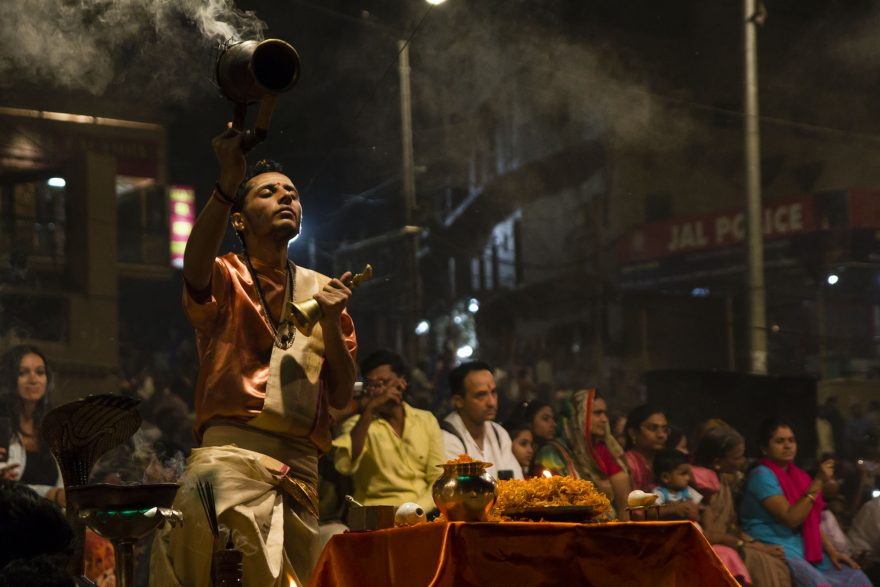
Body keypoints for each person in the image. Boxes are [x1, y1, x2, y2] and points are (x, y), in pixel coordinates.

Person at [150, 126, 358, 587]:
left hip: (302, 472)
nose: (286, 198)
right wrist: (228, 183)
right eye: (268, 192)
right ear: (240, 221)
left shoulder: (325, 292)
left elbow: (342, 395)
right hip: (229, 460)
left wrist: (329, 321)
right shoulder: (226, 274)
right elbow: (195, 267)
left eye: (292, 193)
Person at [739, 417, 872, 587]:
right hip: (775, 544)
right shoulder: (762, 475)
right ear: (764, 448)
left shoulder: (797, 475)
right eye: (780, 441)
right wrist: (818, 482)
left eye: (791, 440)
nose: (788, 446)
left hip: (802, 546)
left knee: (855, 577)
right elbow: (791, 518)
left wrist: (832, 551)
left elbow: (810, 519)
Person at [333, 349, 445, 512]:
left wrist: (415, 510)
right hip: (377, 516)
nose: (380, 391)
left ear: (402, 382)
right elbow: (345, 466)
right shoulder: (356, 425)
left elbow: (438, 478)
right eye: (373, 385)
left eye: (384, 383)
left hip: (422, 512)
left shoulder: (426, 420)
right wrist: (369, 411)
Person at [692, 425, 792, 587]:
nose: (743, 461)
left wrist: (758, 545)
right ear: (717, 461)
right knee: (760, 561)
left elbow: (731, 525)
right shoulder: (700, 484)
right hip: (710, 547)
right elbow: (707, 534)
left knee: (778, 563)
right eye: (737, 457)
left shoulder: (723, 479)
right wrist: (746, 545)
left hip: (729, 541)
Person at [0, 345, 64, 506]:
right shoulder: (2, 424)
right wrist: (49, 494)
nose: (33, 379)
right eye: (23, 373)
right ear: (9, 379)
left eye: (40, 372)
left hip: (51, 520)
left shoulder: (55, 426)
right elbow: (6, 488)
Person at [441, 361, 522, 480]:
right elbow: (462, 491)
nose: (492, 402)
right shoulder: (446, 437)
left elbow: (516, 482)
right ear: (458, 401)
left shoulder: (499, 433)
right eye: (481, 395)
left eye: (493, 392)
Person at [558, 389, 631, 520]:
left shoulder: (603, 451)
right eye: (597, 413)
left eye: (605, 413)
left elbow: (624, 505)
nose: (604, 419)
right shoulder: (559, 454)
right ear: (579, 415)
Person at [623, 404, 670, 492]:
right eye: (653, 428)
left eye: (665, 429)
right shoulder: (626, 463)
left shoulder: (666, 461)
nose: (661, 435)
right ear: (633, 432)